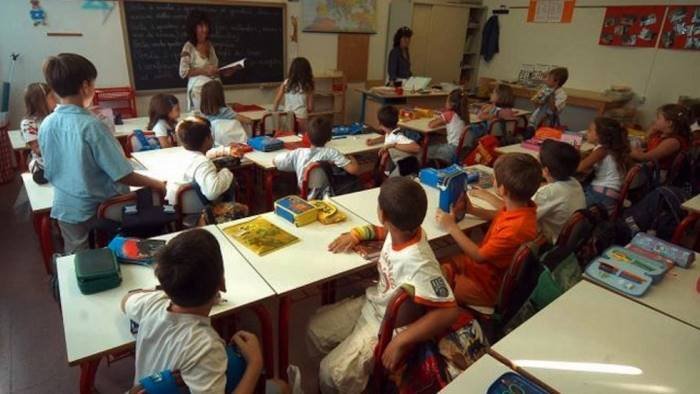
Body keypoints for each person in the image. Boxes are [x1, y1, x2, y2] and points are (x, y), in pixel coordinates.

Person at [311, 177, 458, 393]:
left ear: (382, 215)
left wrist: (401, 342)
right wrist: (356, 234)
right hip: (374, 305)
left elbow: (449, 312)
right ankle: (351, 371)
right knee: (316, 329)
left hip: (388, 327)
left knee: (331, 373)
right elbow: (384, 233)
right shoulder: (405, 230)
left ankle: (347, 379)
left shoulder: (419, 262)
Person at [39, 53, 165, 253]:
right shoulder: (91, 126)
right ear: (86, 86)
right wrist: (156, 184)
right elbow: (123, 174)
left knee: (76, 256)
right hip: (98, 209)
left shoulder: (46, 123)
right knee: (115, 250)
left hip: (65, 206)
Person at [121, 229, 264, 394]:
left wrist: (162, 290)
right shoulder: (206, 347)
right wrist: (255, 364)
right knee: (280, 386)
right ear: (222, 284)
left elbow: (126, 300)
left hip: (143, 388)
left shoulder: (153, 303)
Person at [436, 153, 541, 307]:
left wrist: (451, 226)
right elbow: (500, 215)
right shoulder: (523, 209)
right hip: (482, 270)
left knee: (434, 288)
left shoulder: (515, 229)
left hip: (485, 286)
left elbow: (479, 256)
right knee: (437, 264)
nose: (493, 181)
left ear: (502, 189)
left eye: (495, 179)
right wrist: (472, 210)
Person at [472, 140, 584, 243]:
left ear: (546, 171)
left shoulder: (547, 193)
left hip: (548, 245)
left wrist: (486, 196)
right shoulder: (574, 182)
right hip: (571, 242)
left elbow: (514, 213)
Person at [273, 116, 359, 193]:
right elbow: (353, 170)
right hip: (327, 195)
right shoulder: (332, 153)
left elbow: (275, 161)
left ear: (307, 137)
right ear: (329, 137)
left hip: (305, 194)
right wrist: (352, 158)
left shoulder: (298, 153)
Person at [165, 116, 234, 205]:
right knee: (229, 183)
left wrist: (226, 150)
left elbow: (207, 154)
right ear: (207, 139)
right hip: (191, 207)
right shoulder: (203, 162)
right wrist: (226, 172)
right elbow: (212, 193)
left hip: (171, 205)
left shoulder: (183, 154)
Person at [179, 11, 235, 111]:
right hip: (199, 94)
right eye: (201, 26)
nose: (205, 29)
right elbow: (183, 72)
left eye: (206, 25)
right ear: (193, 28)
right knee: (203, 122)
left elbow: (213, 68)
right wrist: (203, 71)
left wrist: (223, 72)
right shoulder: (188, 47)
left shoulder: (210, 45)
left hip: (215, 92)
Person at [578, 117, 630, 214]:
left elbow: (580, 168)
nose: (586, 132)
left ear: (599, 136)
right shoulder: (612, 148)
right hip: (610, 194)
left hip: (601, 196)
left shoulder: (601, 150)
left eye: (589, 130)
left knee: (570, 200)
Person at [631, 104, 690, 176]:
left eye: (658, 118)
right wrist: (651, 131)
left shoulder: (672, 142)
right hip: (650, 167)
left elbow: (645, 158)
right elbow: (645, 143)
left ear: (669, 123)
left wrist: (628, 151)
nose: (655, 120)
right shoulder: (660, 134)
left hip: (660, 175)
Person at [366, 105, 421, 176]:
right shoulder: (392, 132)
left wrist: (393, 145)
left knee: (389, 182)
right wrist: (374, 141)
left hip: (405, 168)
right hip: (397, 164)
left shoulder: (398, 136)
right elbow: (387, 136)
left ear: (380, 124)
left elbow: (417, 148)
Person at [21, 82, 56, 180]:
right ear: (41, 101)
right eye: (52, 97)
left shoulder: (56, 115)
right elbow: (37, 149)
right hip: (43, 163)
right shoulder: (28, 123)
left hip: (60, 160)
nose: (56, 100)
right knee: (41, 177)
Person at [273, 57, 314, 134]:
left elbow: (276, 101)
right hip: (301, 117)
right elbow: (310, 107)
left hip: (288, 116)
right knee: (301, 138)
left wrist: (274, 114)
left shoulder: (286, 83)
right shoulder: (308, 84)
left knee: (289, 138)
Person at [427, 88, 469, 163]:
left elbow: (431, 125)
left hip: (450, 149)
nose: (445, 103)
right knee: (436, 145)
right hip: (460, 149)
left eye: (446, 101)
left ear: (452, 104)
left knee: (425, 150)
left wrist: (440, 116)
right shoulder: (465, 114)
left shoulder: (449, 114)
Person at [528, 67, 568, 132]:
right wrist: (538, 100)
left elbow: (553, 110)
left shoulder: (562, 94)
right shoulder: (545, 89)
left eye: (549, 78)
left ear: (556, 81)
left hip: (548, 123)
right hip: (535, 120)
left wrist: (550, 95)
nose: (546, 80)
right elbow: (535, 103)